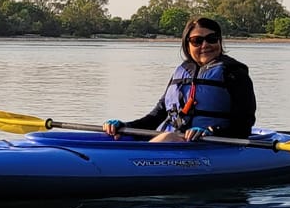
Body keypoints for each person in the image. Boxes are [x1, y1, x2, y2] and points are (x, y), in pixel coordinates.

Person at [106, 16, 257, 142]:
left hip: (212, 144)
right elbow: (155, 117)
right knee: (115, 137)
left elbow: (243, 126)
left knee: (169, 137)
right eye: (197, 41)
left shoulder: (235, 73)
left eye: (212, 39)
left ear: (219, 41)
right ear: (187, 45)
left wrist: (211, 131)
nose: (205, 45)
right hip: (173, 141)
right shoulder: (182, 72)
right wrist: (126, 126)